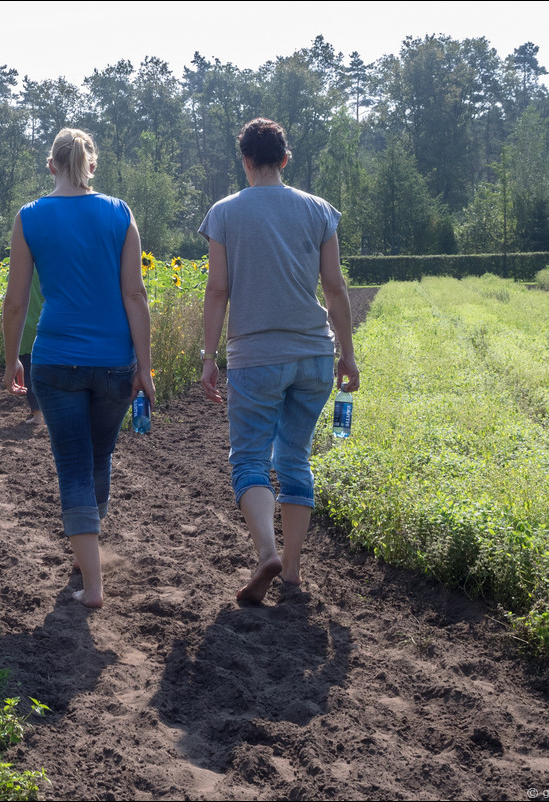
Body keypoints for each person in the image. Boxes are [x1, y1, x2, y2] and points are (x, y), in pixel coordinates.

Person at [198, 117, 360, 604]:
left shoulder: (224, 213)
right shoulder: (318, 210)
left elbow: (218, 289)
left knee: (249, 459)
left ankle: (266, 551)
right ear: (285, 159)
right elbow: (334, 287)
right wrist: (347, 354)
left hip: (255, 356)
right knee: (294, 458)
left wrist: (209, 357)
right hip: (313, 353)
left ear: (245, 160)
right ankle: (291, 571)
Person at [2, 128, 154, 609]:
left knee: (72, 463)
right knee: (98, 458)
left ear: (52, 166)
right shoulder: (119, 212)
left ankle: (92, 584)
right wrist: (144, 367)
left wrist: (10, 361)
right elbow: (135, 295)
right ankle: (86, 555)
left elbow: (16, 301)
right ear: (91, 165)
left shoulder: (30, 217)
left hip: (55, 359)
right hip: (114, 362)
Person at [17, 272, 46, 425]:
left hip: (26, 326)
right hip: (49, 323)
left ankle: (37, 415)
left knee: (28, 371)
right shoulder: (51, 264)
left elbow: (13, 299)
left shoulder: (22, 267)